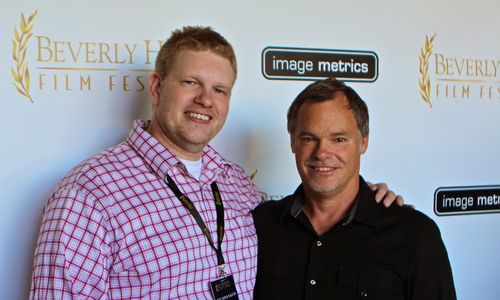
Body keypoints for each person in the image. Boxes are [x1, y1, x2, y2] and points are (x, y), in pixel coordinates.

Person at [30, 27, 401, 299]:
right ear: (158, 88)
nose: (206, 100)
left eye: (219, 90)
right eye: (191, 83)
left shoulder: (237, 185)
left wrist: (363, 200)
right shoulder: (88, 195)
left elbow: (307, 223)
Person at [252, 77, 456, 299]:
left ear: (363, 142)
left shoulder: (414, 234)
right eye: (309, 138)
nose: (322, 153)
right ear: (293, 142)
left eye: (339, 139)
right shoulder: (260, 225)